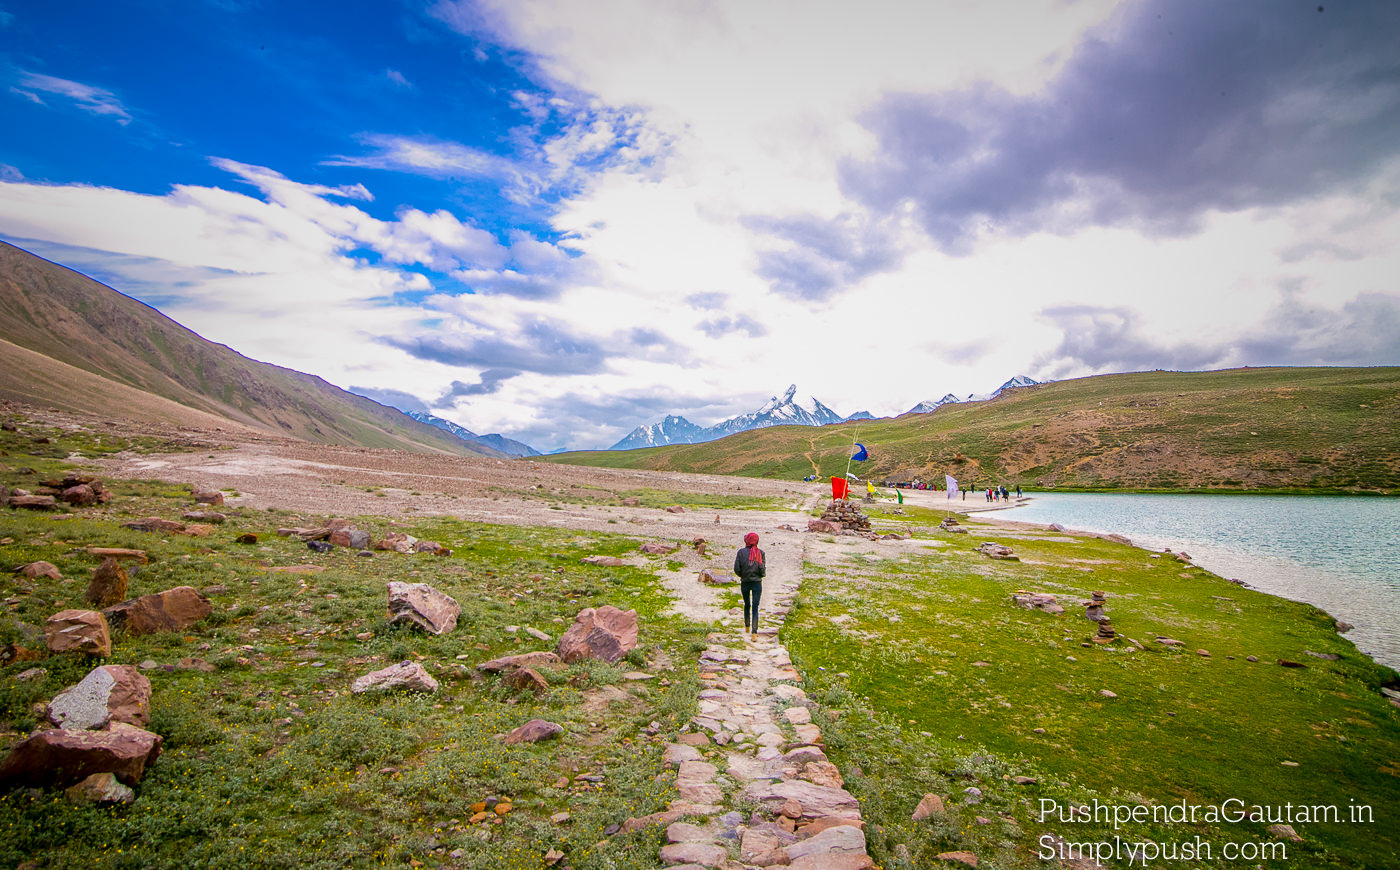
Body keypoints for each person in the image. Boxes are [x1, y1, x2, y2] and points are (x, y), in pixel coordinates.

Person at [734, 532, 766, 637]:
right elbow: (763, 572)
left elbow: (737, 569)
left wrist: (743, 575)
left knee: (747, 604)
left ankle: (747, 626)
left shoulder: (741, 552)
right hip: (757, 583)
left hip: (745, 582)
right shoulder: (760, 553)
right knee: (755, 607)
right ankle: (754, 633)